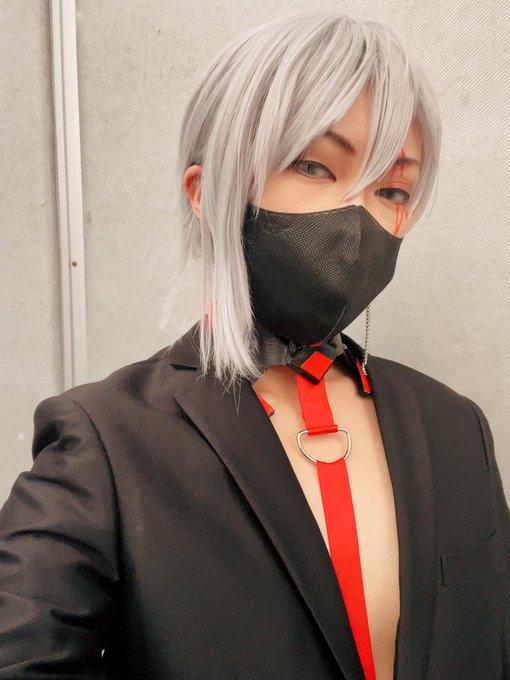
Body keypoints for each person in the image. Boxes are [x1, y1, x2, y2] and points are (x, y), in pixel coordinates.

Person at [0, 10, 509, 680]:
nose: (357, 216)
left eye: (392, 188)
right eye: (314, 165)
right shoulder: (107, 441)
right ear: (208, 191)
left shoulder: (455, 426)